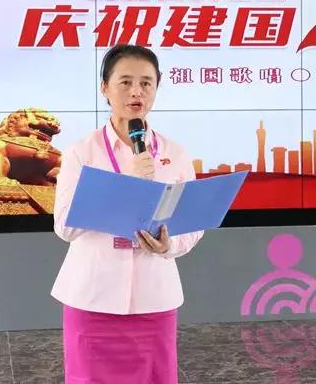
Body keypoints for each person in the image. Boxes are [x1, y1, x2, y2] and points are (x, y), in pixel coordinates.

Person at [51, 44, 204, 384]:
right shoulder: (81, 152)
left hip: (154, 297)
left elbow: (191, 226)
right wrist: (124, 185)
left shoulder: (176, 154)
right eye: (125, 82)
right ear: (104, 88)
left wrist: (169, 245)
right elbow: (65, 226)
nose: (137, 92)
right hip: (92, 296)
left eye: (146, 83)